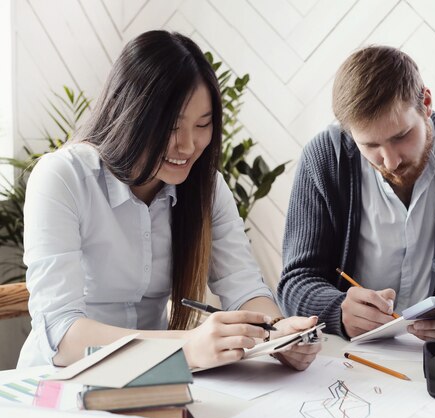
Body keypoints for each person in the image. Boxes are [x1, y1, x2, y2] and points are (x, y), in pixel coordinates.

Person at [17, 30, 321, 371]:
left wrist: (278, 334)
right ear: (131, 115)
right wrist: (186, 347)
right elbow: (61, 336)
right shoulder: (62, 178)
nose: (189, 145)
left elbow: (243, 285)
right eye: (173, 127)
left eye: (203, 125)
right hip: (61, 382)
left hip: (156, 378)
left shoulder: (206, 187)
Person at [278, 46, 435, 340]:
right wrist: (337, 309)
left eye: (401, 136)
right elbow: (295, 281)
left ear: (426, 103)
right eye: (370, 146)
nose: (390, 161)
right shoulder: (324, 157)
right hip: (350, 357)